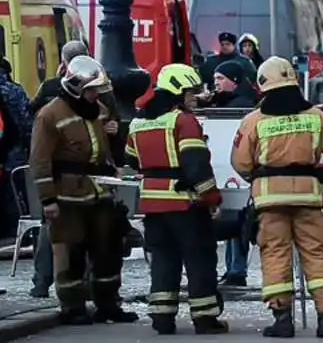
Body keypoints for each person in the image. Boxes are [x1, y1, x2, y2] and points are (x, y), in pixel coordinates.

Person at [231, 56, 323, 338]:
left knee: (275, 253)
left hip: (270, 200)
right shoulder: (315, 115)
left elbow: (241, 163)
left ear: (263, 86)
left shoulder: (253, 121)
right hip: (308, 197)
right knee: (315, 252)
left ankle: (282, 319)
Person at [29, 56, 138, 325]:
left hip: (100, 191)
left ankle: (108, 304)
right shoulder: (50, 114)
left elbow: (103, 151)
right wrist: (48, 199)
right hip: (67, 195)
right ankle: (72, 306)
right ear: (76, 86)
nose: (95, 95)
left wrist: (114, 143)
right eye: (91, 90)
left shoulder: (98, 110)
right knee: (70, 252)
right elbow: (40, 160)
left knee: (108, 250)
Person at [125, 63, 228, 335]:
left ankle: (162, 318)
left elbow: (131, 159)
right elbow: (196, 164)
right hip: (185, 204)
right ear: (177, 91)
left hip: (152, 204)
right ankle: (205, 318)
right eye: (190, 92)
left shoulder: (138, 122)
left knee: (163, 260)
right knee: (199, 260)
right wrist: (212, 197)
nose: (194, 98)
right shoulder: (183, 121)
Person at [206, 60, 259, 287]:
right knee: (233, 221)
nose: (216, 83)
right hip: (231, 169)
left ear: (234, 82)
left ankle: (237, 270)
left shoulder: (242, 105)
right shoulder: (228, 100)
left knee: (238, 221)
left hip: (239, 171)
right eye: (215, 78)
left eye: (221, 79)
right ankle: (233, 269)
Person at [0, 57, 32, 240]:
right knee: (16, 194)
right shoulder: (15, 91)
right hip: (15, 155)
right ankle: (17, 234)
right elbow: (27, 125)